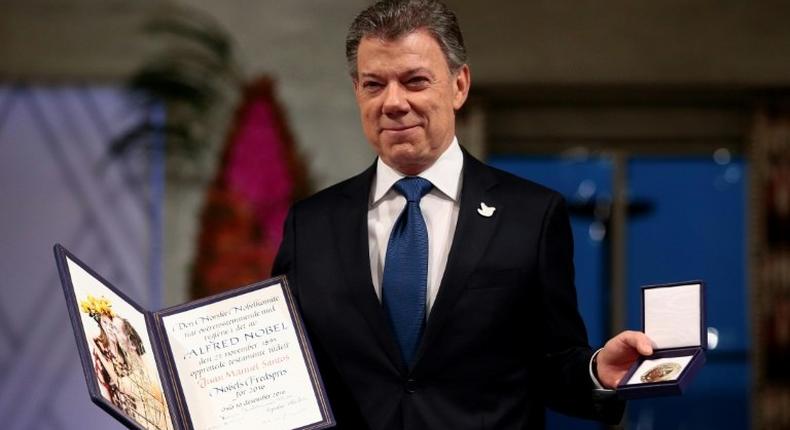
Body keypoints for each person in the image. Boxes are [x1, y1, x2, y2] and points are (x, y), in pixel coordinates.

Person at [272, 0, 654, 428]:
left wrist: (597, 371)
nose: (393, 103)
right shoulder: (310, 225)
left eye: (414, 81)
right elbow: (284, 367)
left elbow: (554, 361)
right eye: (374, 84)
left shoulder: (531, 216)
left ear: (459, 85)